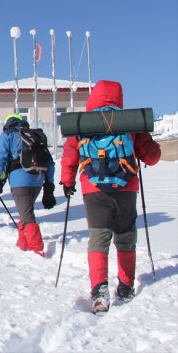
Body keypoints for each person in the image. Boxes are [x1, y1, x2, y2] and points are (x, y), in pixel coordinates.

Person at [59, 80, 161, 314]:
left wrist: (67, 182)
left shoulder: (83, 123)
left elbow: (70, 155)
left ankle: (99, 291)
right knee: (125, 237)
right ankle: (125, 286)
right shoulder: (130, 121)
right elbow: (152, 157)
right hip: (126, 187)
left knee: (98, 238)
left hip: (93, 189)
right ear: (119, 97)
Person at [0, 114, 56, 256]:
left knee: (26, 214)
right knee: (25, 211)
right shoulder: (35, 136)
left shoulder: (8, 134)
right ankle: (23, 242)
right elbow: (50, 162)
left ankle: (36, 248)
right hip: (38, 179)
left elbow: (0, 159)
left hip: (20, 180)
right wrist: (49, 186)